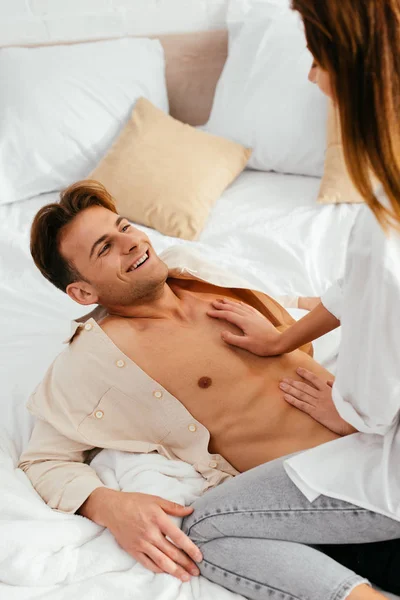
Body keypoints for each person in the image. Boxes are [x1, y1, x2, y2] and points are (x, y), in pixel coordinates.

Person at [20, 180, 356, 584]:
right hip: (322, 498)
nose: (130, 243)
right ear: (82, 291)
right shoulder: (95, 359)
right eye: (104, 248)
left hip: (376, 436)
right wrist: (110, 507)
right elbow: (43, 460)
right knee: (203, 538)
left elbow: (288, 301)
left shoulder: (196, 271)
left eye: (123, 227)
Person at [182, 1, 400, 599]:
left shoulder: (382, 229)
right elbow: (357, 287)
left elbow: (376, 406)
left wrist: (348, 410)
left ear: (351, 65)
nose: (310, 75)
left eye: (316, 55)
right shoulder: (386, 205)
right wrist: (282, 338)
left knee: (204, 530)